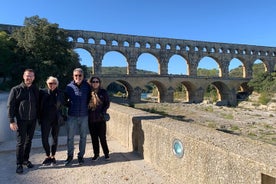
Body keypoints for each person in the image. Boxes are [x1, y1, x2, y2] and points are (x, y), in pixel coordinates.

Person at [7, 69, 39, 174]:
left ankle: (25, 160)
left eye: (31, 76)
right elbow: (10, 106)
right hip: (21, 120)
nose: (28, 78)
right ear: (23, 76)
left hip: (32, 120)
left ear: (33, 78)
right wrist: (12, 121)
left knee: (29, 141)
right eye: (27, 76)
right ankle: (19, 164)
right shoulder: (16, 89)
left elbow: (38, 104)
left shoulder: (35, 89)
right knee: (21, 142)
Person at [64, 68, 90, 166]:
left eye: (80, 75)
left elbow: (90, 98)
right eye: (76, 75)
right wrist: (69, 105)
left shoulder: (87, 86)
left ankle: (80, 156)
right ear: (73, 76)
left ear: (83, 76)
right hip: (72, 116)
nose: (78, 77)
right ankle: (70, 156)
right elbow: (64, 99)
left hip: (84, 116)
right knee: (70, 137)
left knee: (83, 137)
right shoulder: (69, 87)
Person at [39, 76, 66, 165]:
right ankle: (47, 155)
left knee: (55, 138)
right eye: (50, 83)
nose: (52, 85)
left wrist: (64, 115)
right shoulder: (42, 92)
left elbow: (65, 104)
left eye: (54, 83)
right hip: (45, 119)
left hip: (56, 119)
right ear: (47, 84)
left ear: (57, 84)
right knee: (44, 138)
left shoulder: (61, 93)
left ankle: (53, 156)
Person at [88, 76, 110, 161]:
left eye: (97, 81)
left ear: (99, 83)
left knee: (102, 137)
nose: (95, 83)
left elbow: (107, 103)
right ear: (91, 83)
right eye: (93, 81)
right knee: (94, 138)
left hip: (100, 119)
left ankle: (106, 153)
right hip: (91, 119)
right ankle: (96, 154)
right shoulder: (88, 93)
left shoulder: (103, 92)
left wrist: (103, 112)